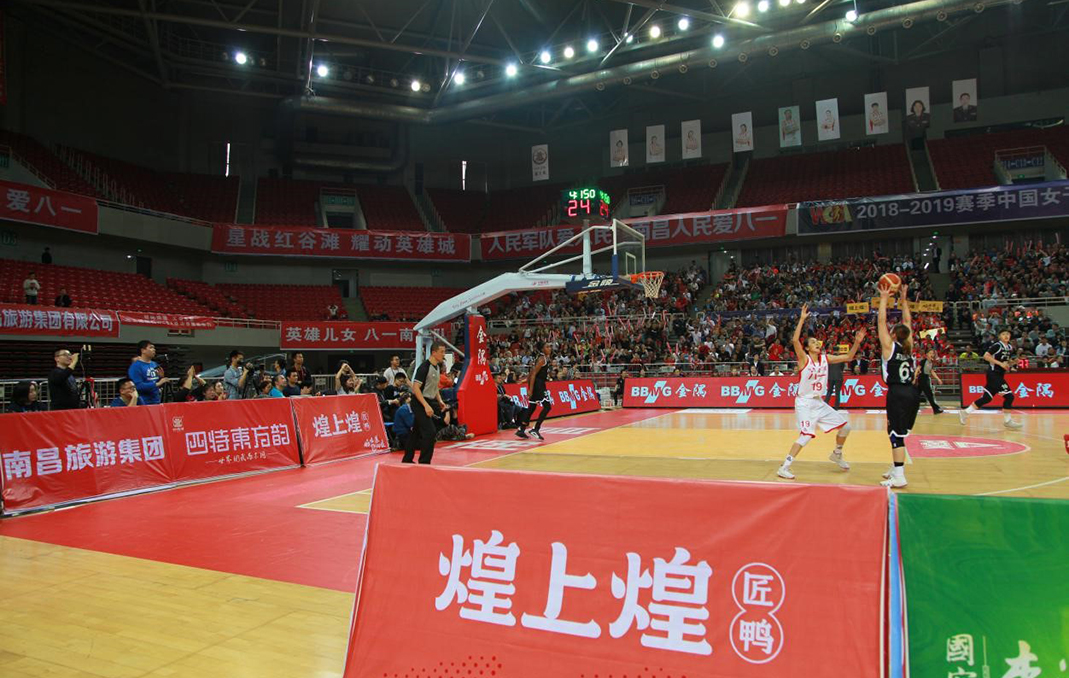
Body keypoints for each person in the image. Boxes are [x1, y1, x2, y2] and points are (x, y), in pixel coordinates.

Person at [776, 306, 864, 480]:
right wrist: (802, 319)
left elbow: (848, 357)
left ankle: (837, 454)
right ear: (808, 348)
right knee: (806, 436)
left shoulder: (825, 358)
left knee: (846, 427)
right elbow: (795, 340)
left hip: (819, 402)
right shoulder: (804, 359)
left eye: (818, 342)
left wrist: (857, 343)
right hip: (804, 403)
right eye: (813, 342)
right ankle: (784, 467)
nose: (817, 343)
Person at [877, 284, 921, 489]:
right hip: (912, 393)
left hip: (898, 393)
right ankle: (895, 469)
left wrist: (884, 298)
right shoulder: (908, 347)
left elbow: (881, 321)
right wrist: (903, 299)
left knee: (896, 434)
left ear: (893, 335)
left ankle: (900, 476)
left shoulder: (890, 347)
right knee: (896, 431)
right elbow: (908, 321)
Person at [959, 329, 1022, 429]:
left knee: (986, 398)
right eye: (1003, 334)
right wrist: (1000, 364)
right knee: (1009, 396)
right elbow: (986, 356)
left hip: (999, 374)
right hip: (993, 374)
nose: (1006, 336)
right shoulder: (997, 345)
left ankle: (965, 412)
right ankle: (1007, 421)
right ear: (999, 336)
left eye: (1008, 334)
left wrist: (1013, 363)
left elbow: (1005, 363)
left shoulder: (1010, 347)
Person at [404, 341, 450, 464]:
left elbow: (434, 387)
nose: (443, 354)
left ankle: (407, 459)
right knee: (430, 432)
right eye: (441, 352)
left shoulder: (437, 367)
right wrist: (426, 406)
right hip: (419, 402)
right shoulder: (424, 368)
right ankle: (424, 462)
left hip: (429, 400)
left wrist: (440, 400)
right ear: (434, 353)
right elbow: (416, 388)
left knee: (416, 432)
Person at [516, 342, 554, 440]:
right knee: (547, 407)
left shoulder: (541, 358)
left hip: (538, 383)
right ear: (542, 349)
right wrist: (530, 389)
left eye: (550, 347)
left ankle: (521, 429)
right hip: (538, 385)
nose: (550, 348)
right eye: (547, 347)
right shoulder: (542, 359)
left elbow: (532, 372)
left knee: (532, 407)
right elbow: (533, 374)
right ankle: (536, 429)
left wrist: (525, 380)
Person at [128, 340, 168, 405]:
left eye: (154, 348)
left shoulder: (154, 364)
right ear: (143, 350)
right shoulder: (136, 366)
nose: (154, 350)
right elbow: (137, 386)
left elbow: (157, 382)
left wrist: (161, 378)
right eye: (151, 347)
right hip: (143, 403)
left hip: (156, 401)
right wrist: (157, 384)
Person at [917, 348, 943, 414]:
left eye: (933, 353)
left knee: (918, 394)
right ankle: (936, 409)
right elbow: (918, 369)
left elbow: (931, 371)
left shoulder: (931, 362)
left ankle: (911, 407)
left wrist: (938, 379)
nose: (932, 354)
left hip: (926, 378)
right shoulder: (923, 361)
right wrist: (914, 378)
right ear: (926, 354)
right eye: (930, 353)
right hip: (922, 378)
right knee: (929, 394)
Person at [824, 344, 847, 410]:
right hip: (838, 376)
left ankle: (825, 405)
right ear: (838, 350)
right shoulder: (840, 358)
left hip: (830, 376)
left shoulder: (829, 357)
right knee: (837, 392)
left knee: (829, 391)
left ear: (832, 350)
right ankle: (836, 407)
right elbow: (842, 368)